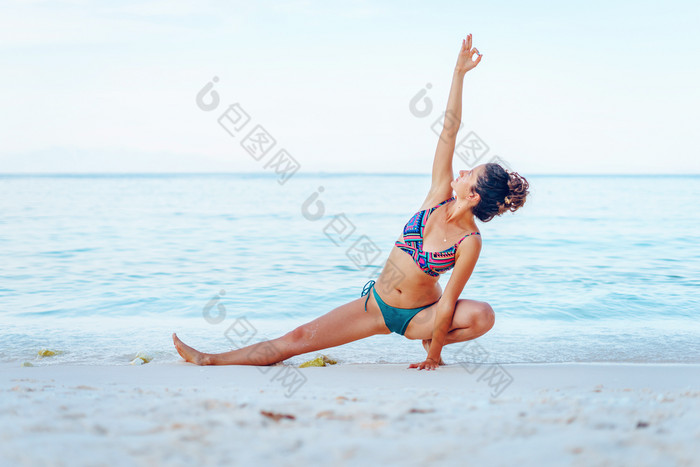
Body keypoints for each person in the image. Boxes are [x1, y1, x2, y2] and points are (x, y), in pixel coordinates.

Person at [172, 33, 529, 370]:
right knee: (297, 338)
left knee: (483, 315)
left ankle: (428, 343)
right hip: (375, 305)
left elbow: (449, 301)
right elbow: (448, 131)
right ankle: (210, 360)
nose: (462, 170)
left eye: (470, 173)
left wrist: (434, 354)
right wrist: (458, 74)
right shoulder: (438, 196)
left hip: (420, 315)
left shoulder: (470, 242)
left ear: (474, 195)